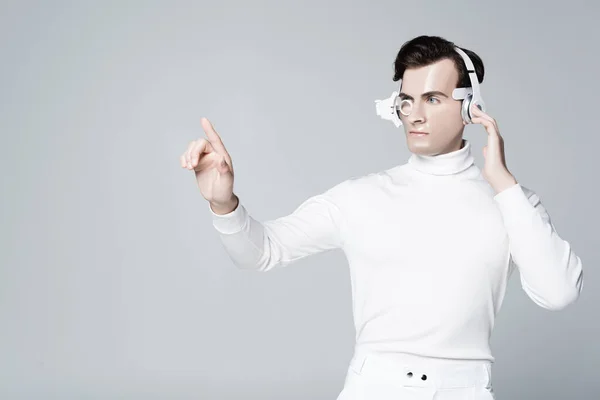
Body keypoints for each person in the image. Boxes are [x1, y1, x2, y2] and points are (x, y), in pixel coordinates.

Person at [179, 35, 583, 399]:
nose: (415, 114)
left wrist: (504, 184)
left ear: (471, 107)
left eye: (434, 98)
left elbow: (559, 292)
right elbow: (263, 251)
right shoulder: (361, 196)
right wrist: (223, 203)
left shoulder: (513, 205)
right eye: (407, 99)